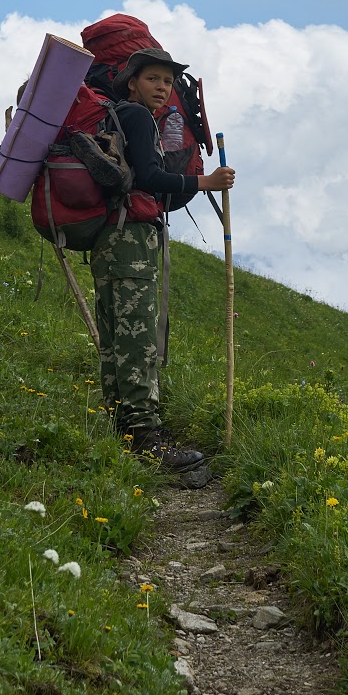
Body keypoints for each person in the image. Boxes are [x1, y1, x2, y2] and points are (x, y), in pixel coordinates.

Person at [92, 46, 235, 476]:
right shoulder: (135, 117)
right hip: (130, 240)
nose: (163, 88)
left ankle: (121, 431)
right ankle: (148, 441)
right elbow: (151, 179)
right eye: (153, 79)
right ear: (132, 82)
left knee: (116, 335)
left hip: (109, 238)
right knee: (137, 338)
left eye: (168, 82)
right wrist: (203, 180)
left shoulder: (117, 116)